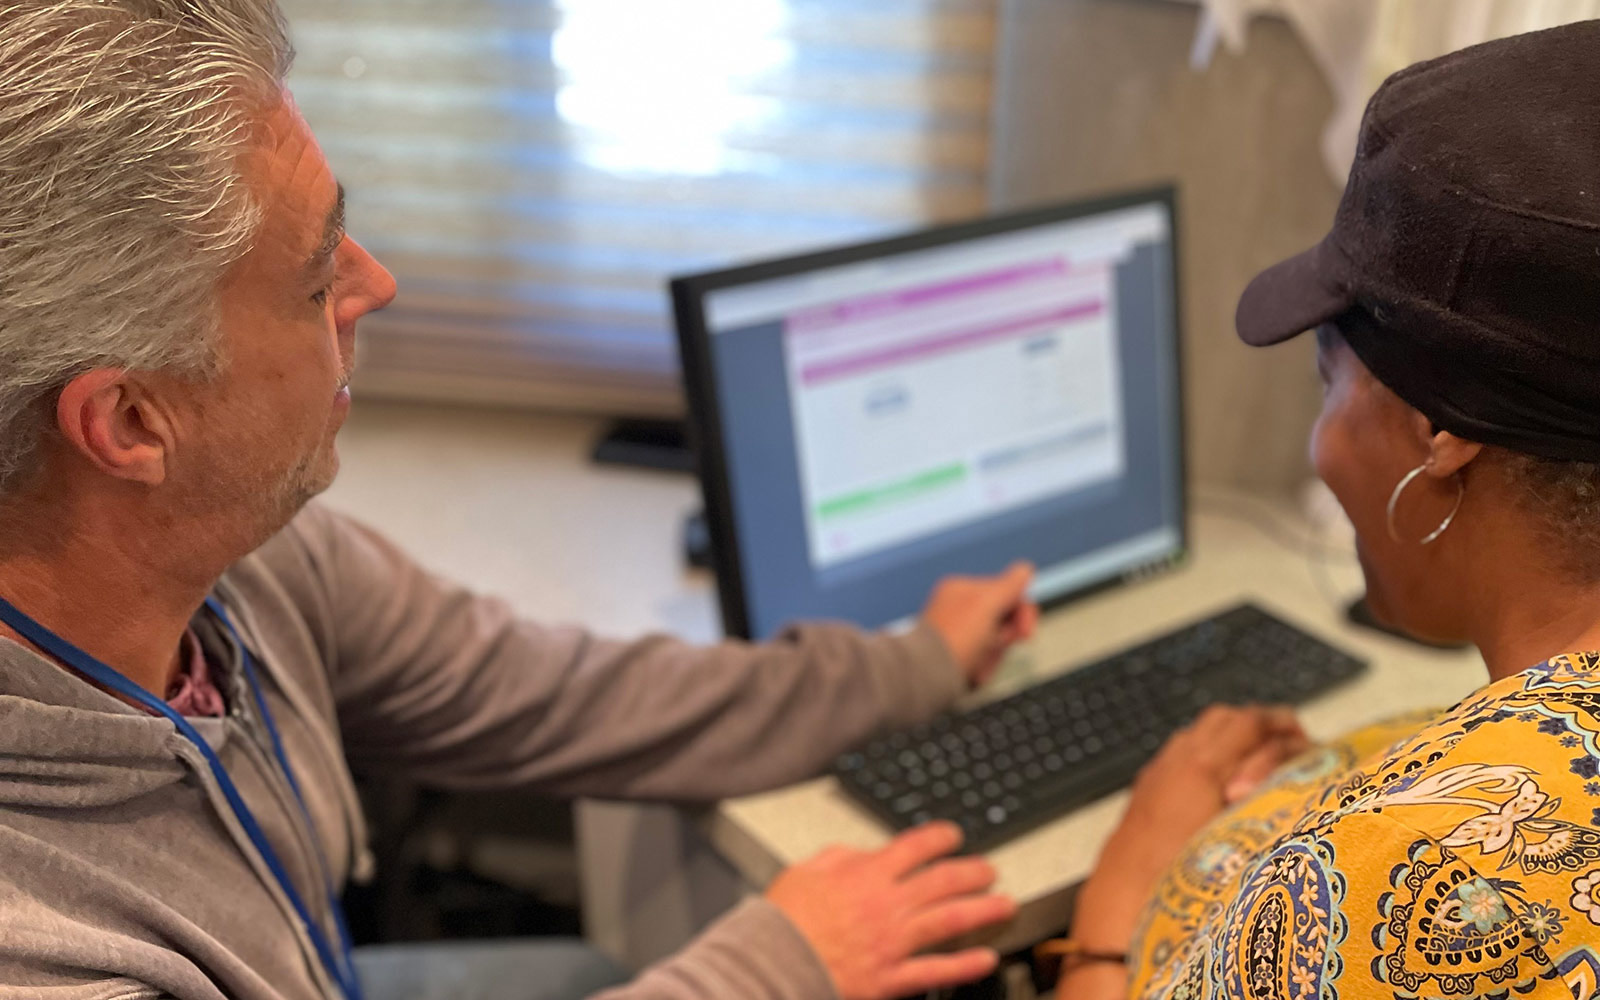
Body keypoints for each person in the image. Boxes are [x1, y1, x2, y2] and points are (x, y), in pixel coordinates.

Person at [0, 3, 1039, 999]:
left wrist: (917, 665)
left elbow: (567, 697)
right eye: (317, 281)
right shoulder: (40, 950)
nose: (376, 285)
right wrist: (776, 967)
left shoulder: (244, 565)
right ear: (131, 424)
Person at [1054, 20, 1600, 1000]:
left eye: (1326, 376)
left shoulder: (1419, 869)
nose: (1320, 438)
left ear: (1441, 429)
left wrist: (1113, 913)